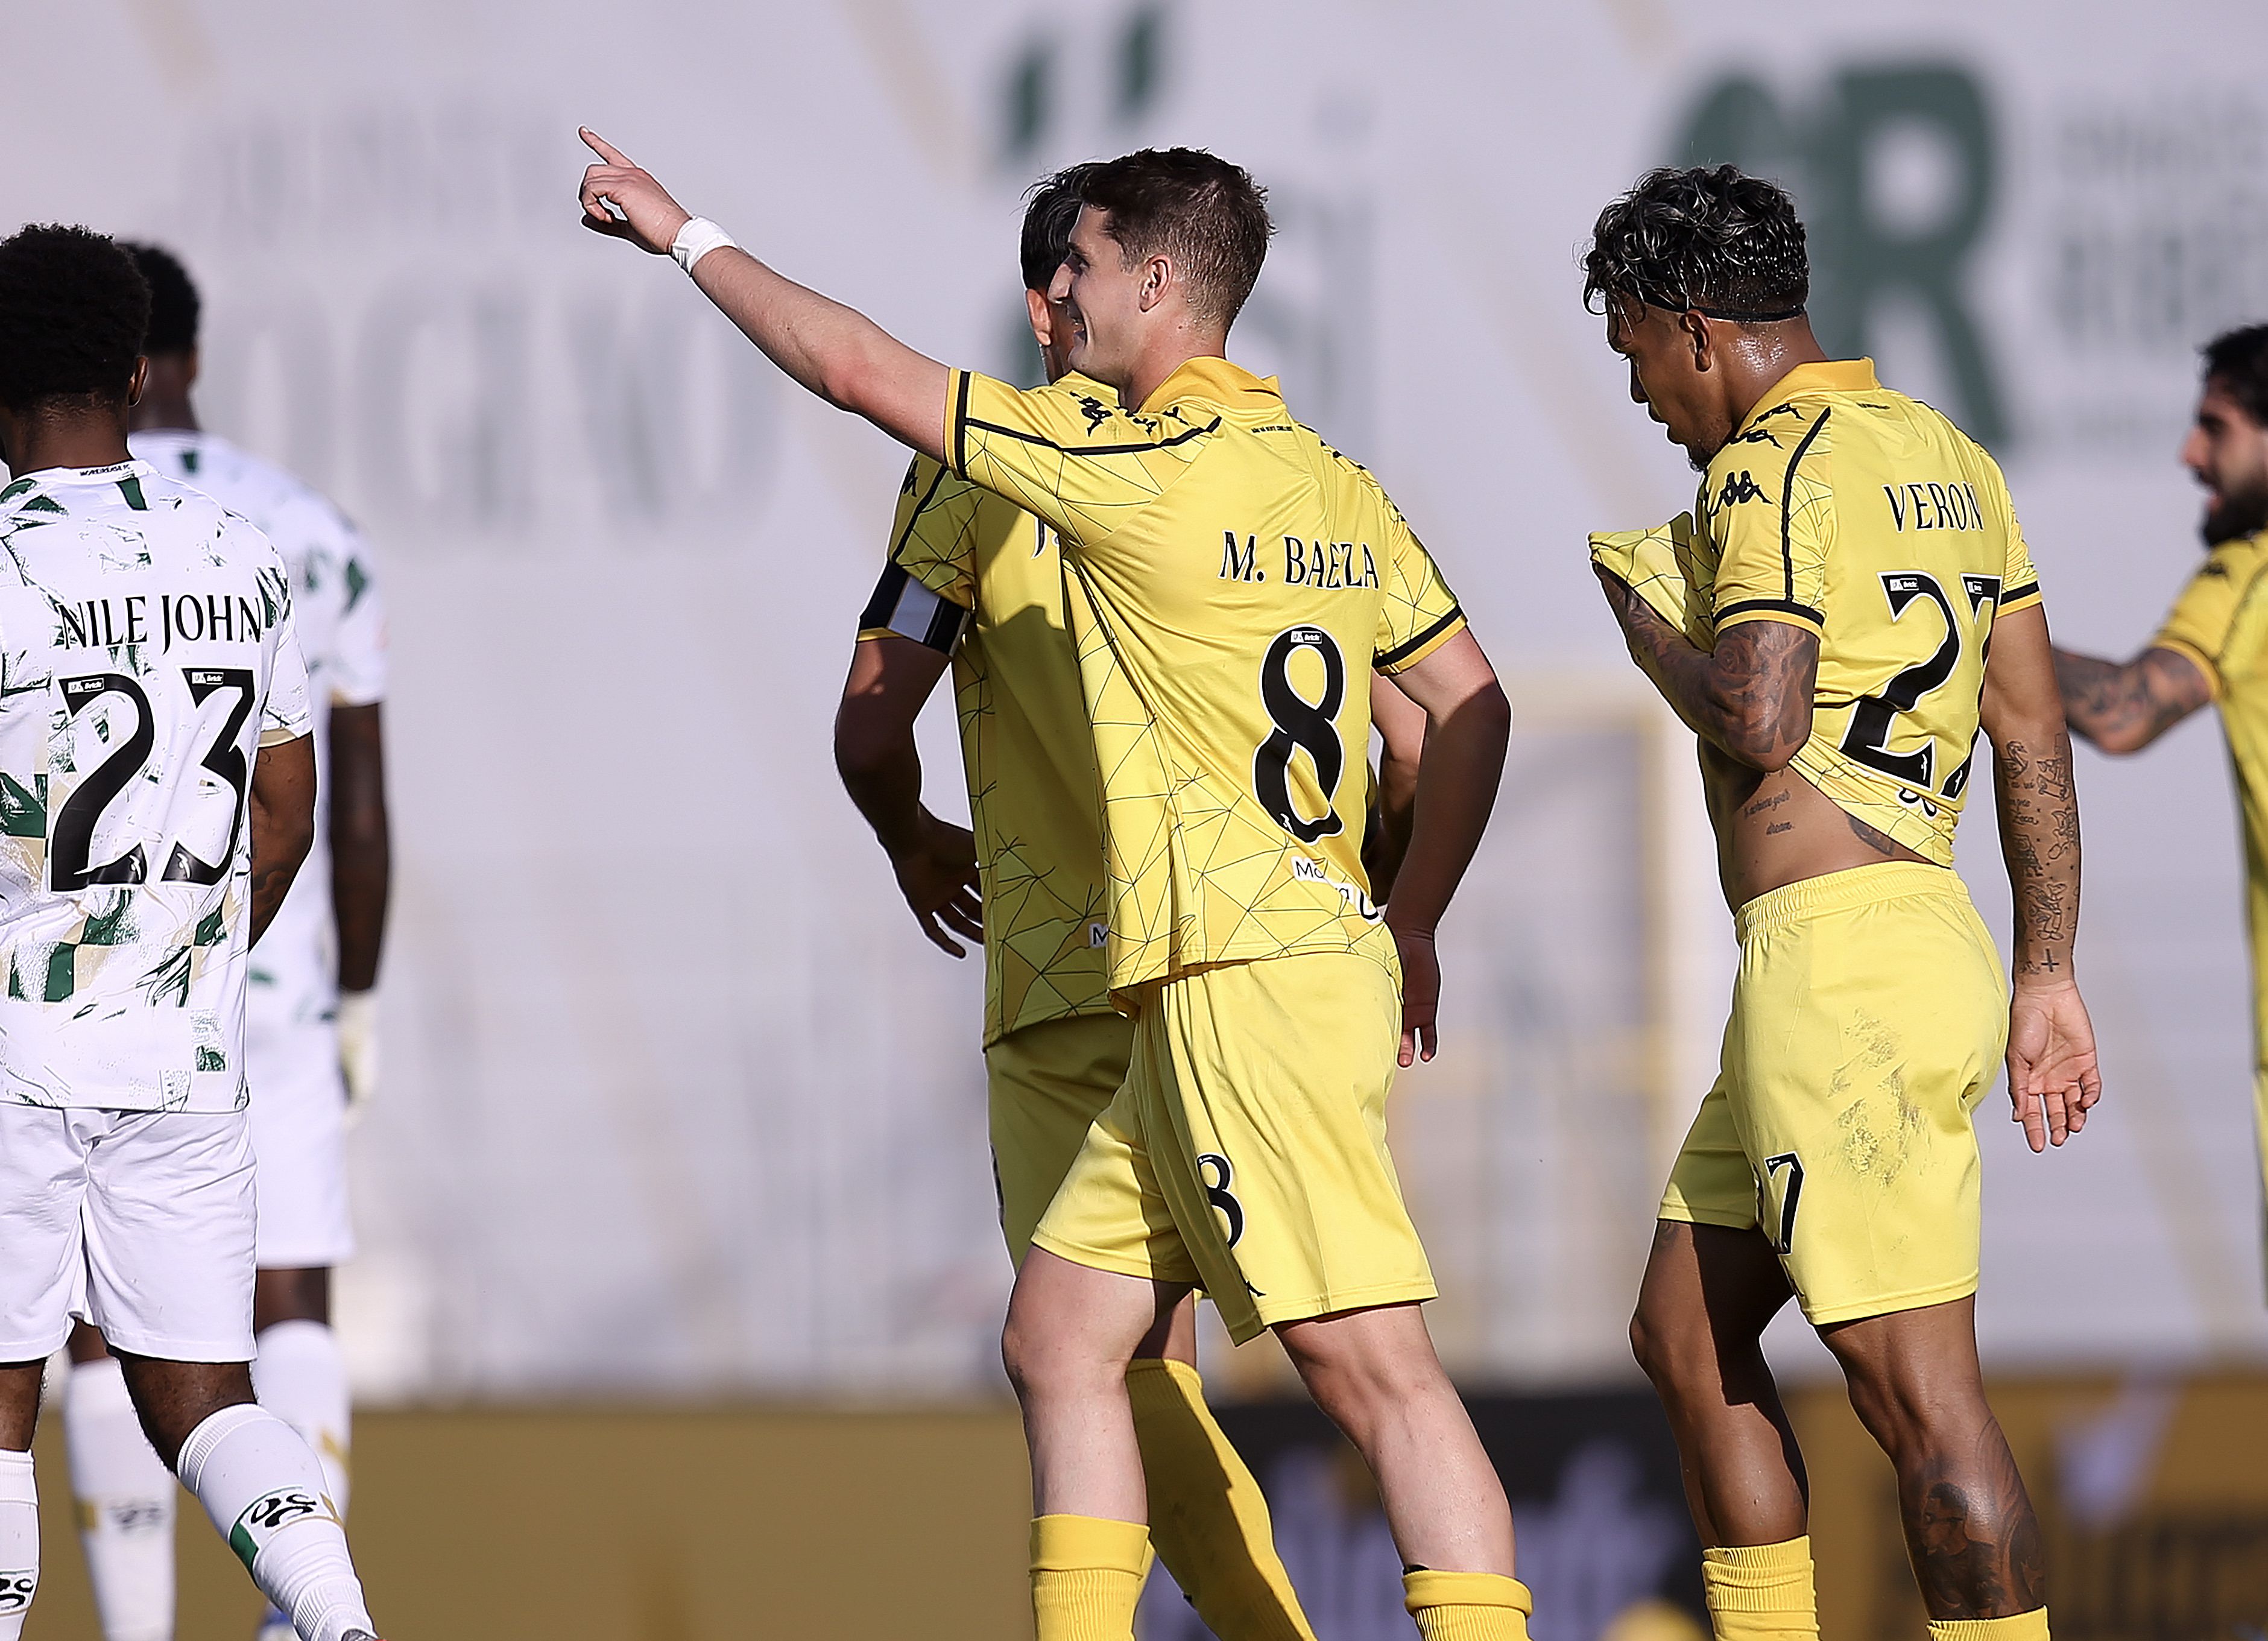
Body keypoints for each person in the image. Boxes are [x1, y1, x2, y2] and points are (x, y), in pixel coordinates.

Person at [580, 134, 1523, 1641]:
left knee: (1372, 1367)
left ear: (1151, 282)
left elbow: (850, 382)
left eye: (1075, 266)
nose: (1054, 296)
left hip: (1216, 966)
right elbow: (1458, 711)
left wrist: (684, 233)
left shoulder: (1097, 462)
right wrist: (1405, 914)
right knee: (1064, 1338)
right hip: (1191, 974)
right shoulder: (1333, 485)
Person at [838, 162, 1411, 1641]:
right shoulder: (1257, 469)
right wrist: (1390, 907)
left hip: (1056, 977)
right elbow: (1418, 733)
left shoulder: (978, 466)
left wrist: (910, 837)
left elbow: (867, 715)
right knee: (1138, 1363)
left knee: (1108, 1369)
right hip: (1232, 953)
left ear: (1055, 299)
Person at [0, 223, 382, 1641]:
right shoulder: (248, 559)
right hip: (185, 1056)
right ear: (140, 376)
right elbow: (288, 807)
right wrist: (188, 958)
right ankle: (341, 1620)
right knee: (208, 1393)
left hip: (2, 1051)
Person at [1580, 166, 2100, 1641]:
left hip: (1840, 971)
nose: (1642, 399)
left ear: (1693, 326)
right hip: (1898, 935)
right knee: (1682, 1332)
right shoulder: (1950, 456)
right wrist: (2045, 966)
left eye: (1634, 356)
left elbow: (1758, 711)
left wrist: (1650, 629)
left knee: (1920, 1398)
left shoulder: (1770, 463)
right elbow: (2032, 727)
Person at [44, 241, 394, 1641]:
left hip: (102, 975)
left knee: (98, 1312)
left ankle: (139, 1627)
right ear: (178, 354)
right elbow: (356, 807)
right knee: (288, 1285)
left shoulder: (42, 529)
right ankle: (300, 1620)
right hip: (276, 963)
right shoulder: (309, 530)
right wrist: (356, 991)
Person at [2050, 324, 2268, 1293]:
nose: (2190, 455)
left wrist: (1965, 615)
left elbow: (2125, 709)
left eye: (2213, 429)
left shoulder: (2250, 573)